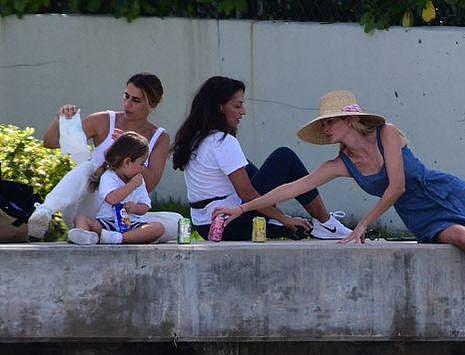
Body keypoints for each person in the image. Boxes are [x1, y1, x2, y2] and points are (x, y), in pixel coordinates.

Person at [213, 90, 465, 334]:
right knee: (462, 239)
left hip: (444, 191)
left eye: (329, 124)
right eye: (323, 127)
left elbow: (398, 185)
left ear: (349, 120)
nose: (325, 131)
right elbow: (292, 187)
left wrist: (364, 227)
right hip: (421, 215)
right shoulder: (341, 163)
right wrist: (242, 208)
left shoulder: (387, 132)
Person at [172, 76, 351, 241]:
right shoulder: (223, 141)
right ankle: (326, 223)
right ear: (220, 107)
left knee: (246, 166)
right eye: (238, 106)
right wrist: (284, 218)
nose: (243, 112)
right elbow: (247, 194)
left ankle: (281, 225)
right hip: (229, 223)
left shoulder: (196, 139)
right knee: (284, 157)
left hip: (204, 226)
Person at [28, 72, 181, 242]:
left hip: (122, 213)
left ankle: (99, 235)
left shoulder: (160, 137)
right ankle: (44, 212)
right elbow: (50, 142)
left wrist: (129, 149)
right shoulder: (104, 120)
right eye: (126, 96)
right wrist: (60, 120)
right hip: (89, 207)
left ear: (151, 105)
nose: (127, 104)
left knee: (177, 222)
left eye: (136, 100)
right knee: (88, 168)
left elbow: (149, 184)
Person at [67, 132, 164, 244]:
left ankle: (118, 238)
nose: (142, 169)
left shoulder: (139, 180)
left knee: (158, 228)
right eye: (141, 164)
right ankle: (85, 237)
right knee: (80, 219)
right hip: (107, 222)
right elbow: (112, 199)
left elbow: (145, 206)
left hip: (131, 224)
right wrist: (131, 185)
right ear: (127, 162)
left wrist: (135, 208)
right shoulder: (109, 176)